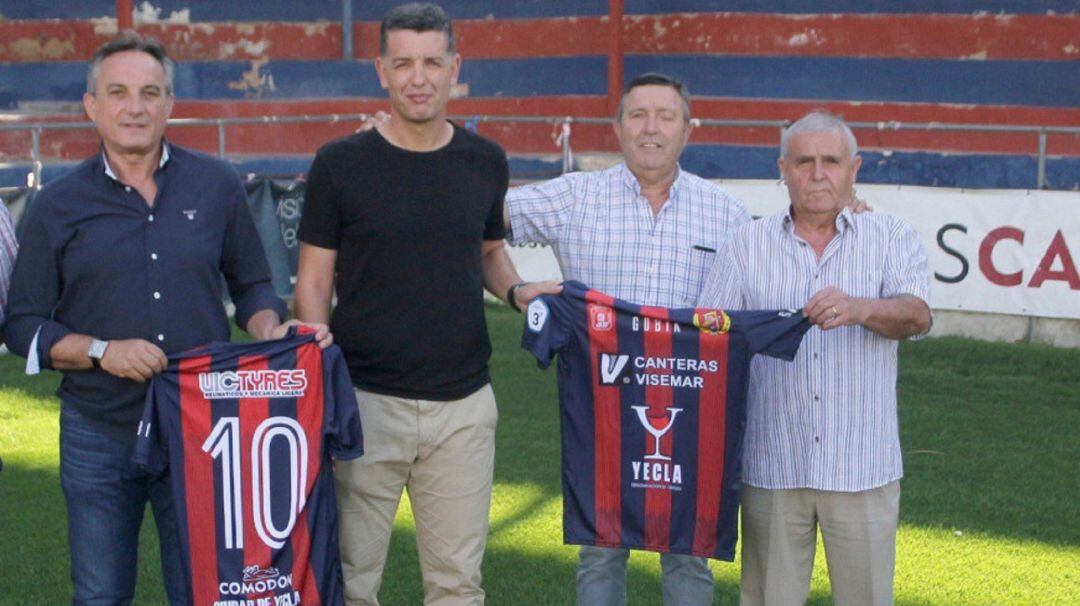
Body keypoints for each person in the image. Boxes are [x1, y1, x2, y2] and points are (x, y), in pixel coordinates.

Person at [1, 32, 328, 605]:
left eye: (150, 93)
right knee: (101, 596)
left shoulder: (217, 184)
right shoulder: (57, 204)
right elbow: (23, 324)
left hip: (205, 431)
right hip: (97, 431)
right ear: (91, 106)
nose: (135, 107)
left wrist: (270, 331)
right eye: (119, 93)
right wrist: (102, 350)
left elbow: (251, 285)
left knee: (207, 591)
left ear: (170, 104)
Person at [294, 4, 551, 604]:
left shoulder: (485, 160)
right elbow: (312, 282)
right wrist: (316, 376)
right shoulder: (340, 163)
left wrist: (515, 289)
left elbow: (489, 251)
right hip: (363, 403)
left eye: (432, 62)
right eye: (403, 62)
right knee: (351, 582)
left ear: (454, 68)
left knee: (457, 585)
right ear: (380, 70)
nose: (418, 76)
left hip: (462, 408)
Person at [503, 73, 748, 605]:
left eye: (665, 116)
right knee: (600, 549)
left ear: (688, 129)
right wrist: (514, 288)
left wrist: (852, 213)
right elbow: (483, 216)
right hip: (601, 409)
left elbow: (768, 278)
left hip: (688, 409)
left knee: (688, 551)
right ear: (617, 128)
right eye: (638, 115)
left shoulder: (724, 212)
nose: (651, 128)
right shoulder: (575, 196)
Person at [697, 111, 932, 606]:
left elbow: (918, 316)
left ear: (855, 167)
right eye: (804, 161)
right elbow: (710, 337)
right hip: (773, 463)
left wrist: (860, 307)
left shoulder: (890, 235)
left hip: (861, 466)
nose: (818, 173)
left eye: (831, 160)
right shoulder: (747, 244)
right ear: (783, 168)